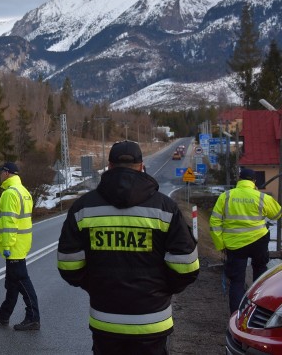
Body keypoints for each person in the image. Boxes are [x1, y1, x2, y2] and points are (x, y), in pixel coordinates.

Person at [57, 140, 199, 355]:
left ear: (110, 167)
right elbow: (186, 266)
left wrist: (96, 284)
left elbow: (69, 264)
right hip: (152, 321)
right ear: (142, 166)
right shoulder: (165, 208)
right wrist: (162, 289)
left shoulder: (83, 207)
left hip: (105, 320)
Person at [210, 167, 282, 314]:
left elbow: (214, 223)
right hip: (258, 242)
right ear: (253, 181)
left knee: (236, 281)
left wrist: (221, 244)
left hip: (235, 245)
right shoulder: (261, 197)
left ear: (239, 179)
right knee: (260, 276)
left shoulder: (226, 196)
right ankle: (257, 312)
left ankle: (235, 316)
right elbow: (277, 215)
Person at [0, 162, 41, 331]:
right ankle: (4, 314)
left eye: (1, 172)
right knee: (12, 282)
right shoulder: (24, 192)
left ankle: (33, 317)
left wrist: (7, 245)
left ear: (7, 173)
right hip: (22, 243)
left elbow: (10, 222)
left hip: (13, 245)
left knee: (21, 280)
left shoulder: (9, 194)